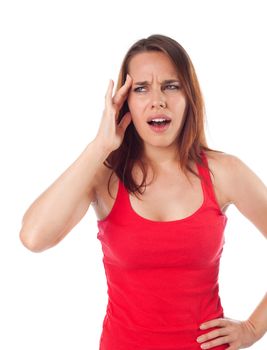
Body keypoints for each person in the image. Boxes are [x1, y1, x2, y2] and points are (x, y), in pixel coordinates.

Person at [19, 34, 267, 350]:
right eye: (141, 88)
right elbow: (34, 237)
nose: (157, 100)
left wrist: (253, 328)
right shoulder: (103, 175)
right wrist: (99, 146)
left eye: (170, 85)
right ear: (124, 103)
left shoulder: (225, 172)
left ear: (189, 96)